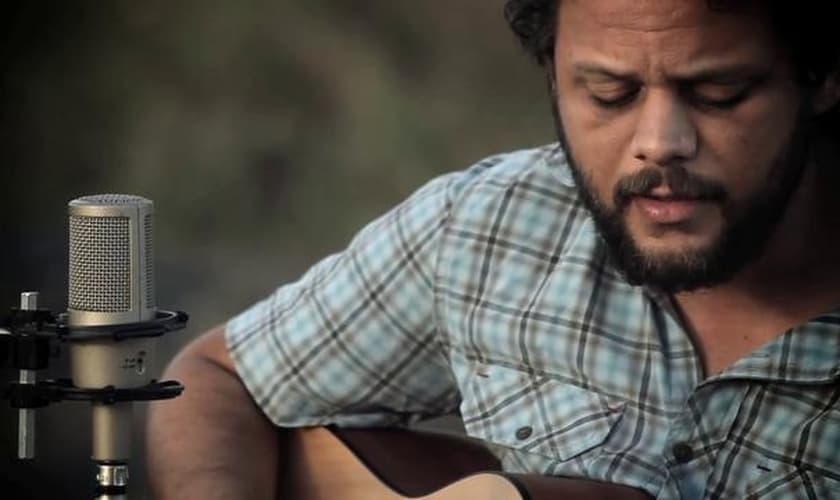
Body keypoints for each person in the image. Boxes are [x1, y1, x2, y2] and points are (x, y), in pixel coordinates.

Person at [147, 1, 840, 498]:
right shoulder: (491, 224)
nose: (659, 143)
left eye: (719, 93)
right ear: (552, 75)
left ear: (823, 77)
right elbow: (220, 378)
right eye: (609, 94)